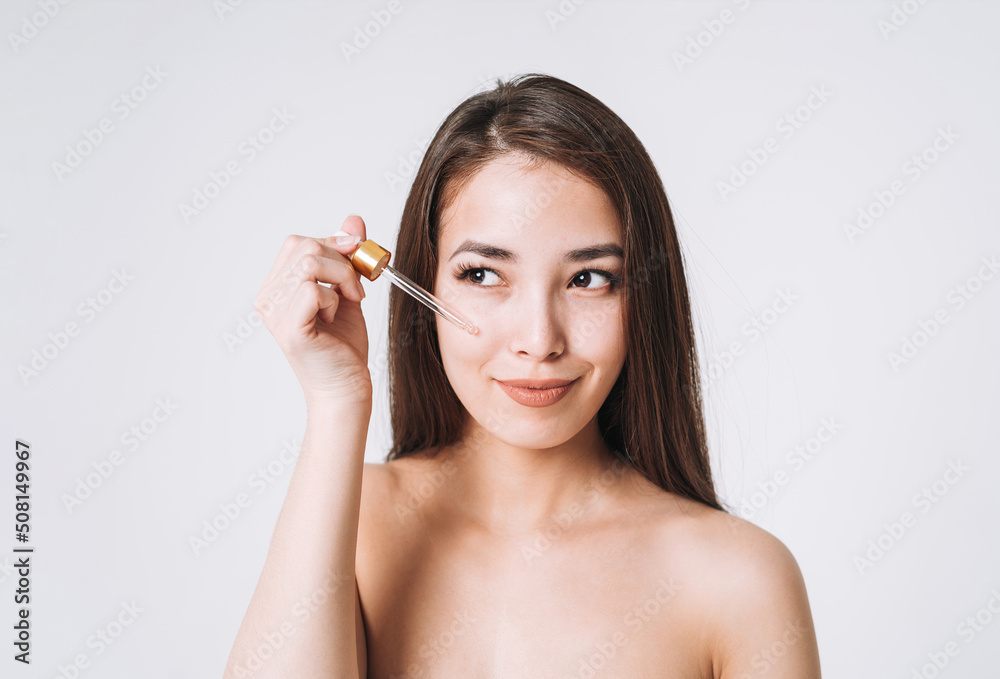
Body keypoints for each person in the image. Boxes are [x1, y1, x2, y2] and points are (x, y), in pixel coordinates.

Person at [223, 73, 822, 678]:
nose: (539, 341)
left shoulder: (739, 581)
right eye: (483, 274)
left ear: (643, 295)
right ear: (423, 282)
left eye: (589, 278)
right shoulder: (347, 525)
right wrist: (336, 402)